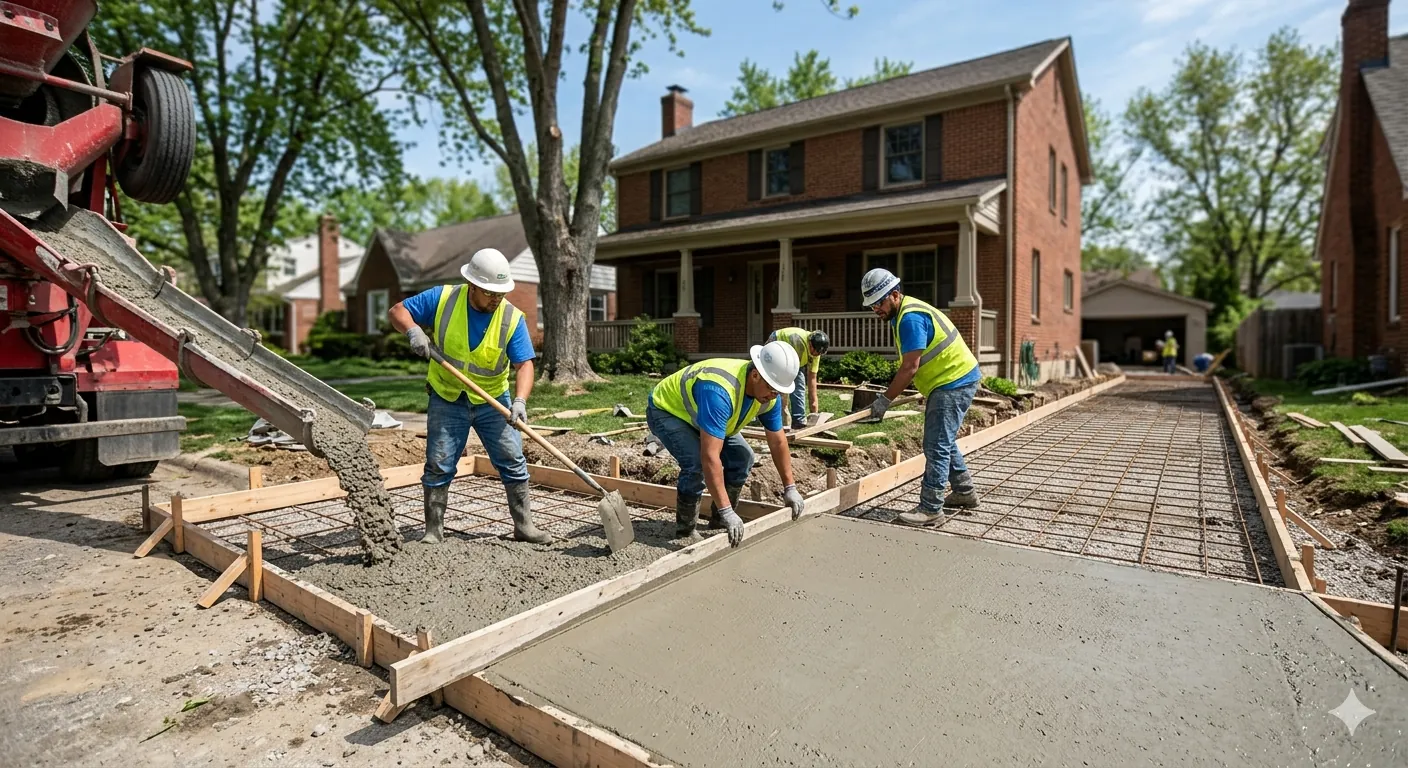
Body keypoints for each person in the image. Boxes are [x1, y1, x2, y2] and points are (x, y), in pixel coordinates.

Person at [387, 247, 552, 545]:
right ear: (472, 285)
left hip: (493, 401)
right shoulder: (443, 299)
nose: (495, 298)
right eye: (489, 292)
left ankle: (524, 526)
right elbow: (397, 311)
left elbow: (524, 364)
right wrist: (413, 330)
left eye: (499, 293)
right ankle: (434, 531)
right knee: (439, 462)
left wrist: (520, 401)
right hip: (447, 397)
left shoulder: (511, 318)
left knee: (513, 460)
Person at [646, 341, 808, 547]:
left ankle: (719, 521)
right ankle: (686, 530)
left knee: (744, 457)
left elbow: (777, 441)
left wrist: (790, 487)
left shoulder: (770, 396)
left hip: (704, 416)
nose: (773, 395)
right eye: (771, 388)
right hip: (668, 411)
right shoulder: (720, 390)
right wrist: (728, 511)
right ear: (756, 374)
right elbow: (710, 457)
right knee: (695, 464)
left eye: (778, 391)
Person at [862, 268, 982, 526]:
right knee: (943, 440)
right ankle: (964, 492)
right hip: (953, 379)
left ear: (894, 295)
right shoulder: (903, 313)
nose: (876, 310)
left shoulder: (910, 318)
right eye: (871, 306)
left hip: (953, 381)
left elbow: (909, 367)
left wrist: (884, 401)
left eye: (878, 303)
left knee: (935, 444)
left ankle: (930, 509)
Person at [767, 327, 830, 430]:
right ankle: (775, 418)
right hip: (777, 345)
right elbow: (787, 373)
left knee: (799, 385)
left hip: (794, 359)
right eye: (815, 352)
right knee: (778, 386)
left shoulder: (816, 352)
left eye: (818, 354)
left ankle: (798, 419)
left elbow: (812, 380)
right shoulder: (798, 342)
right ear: (810, 344)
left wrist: (814, 413)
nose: (816, 355)